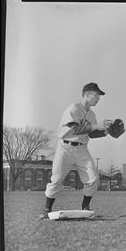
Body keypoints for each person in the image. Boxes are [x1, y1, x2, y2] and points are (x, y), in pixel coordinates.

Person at [39, 83, 112, 219]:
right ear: (87, 94)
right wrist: (97, 125)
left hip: (82, 149)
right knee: (57, 179)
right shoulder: (73, 108)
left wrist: (106, 131)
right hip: (65, 147)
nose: (98, 98)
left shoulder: (91, 114)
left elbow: (91, 134)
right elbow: (75, 130)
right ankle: (46, 209)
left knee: (93, 179)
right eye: (96, 95)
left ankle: (85, 207)